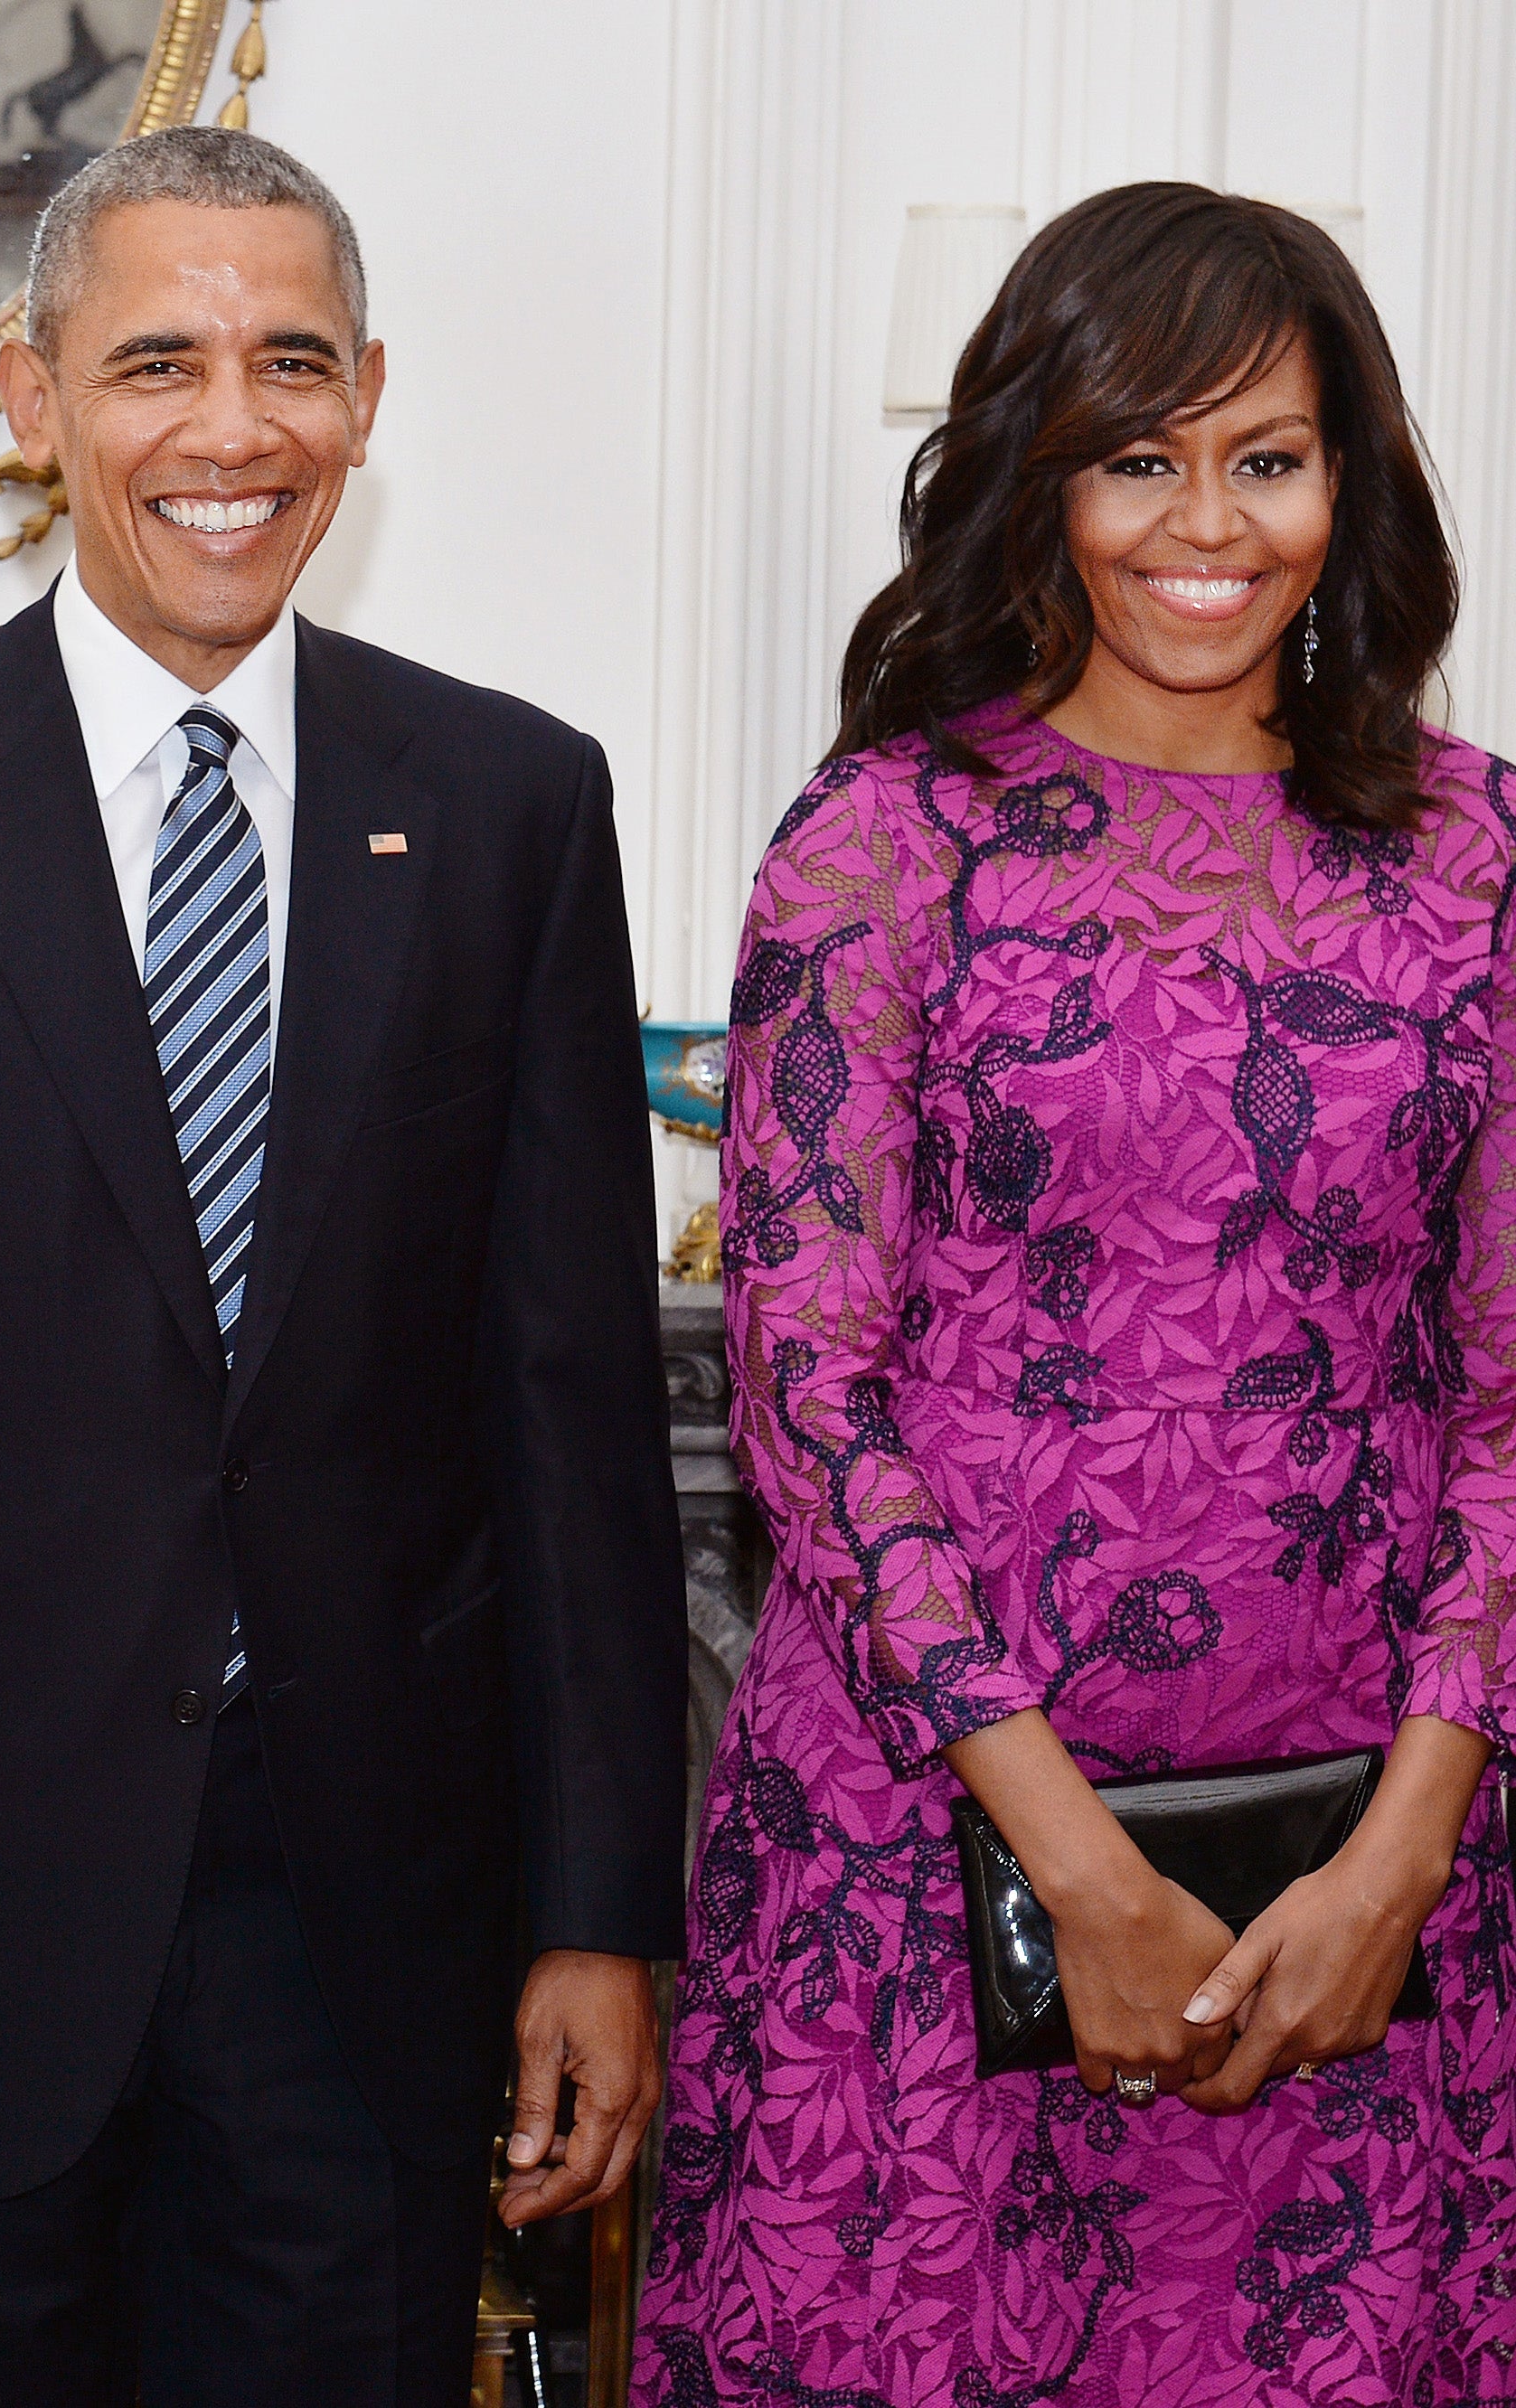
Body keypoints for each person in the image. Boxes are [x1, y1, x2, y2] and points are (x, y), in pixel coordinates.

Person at [633, 183, 1516, 2407]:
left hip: (1366, 1916)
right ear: (1043, 473)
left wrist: (1407, 1851)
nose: (1204, 522)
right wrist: (1073, 1866)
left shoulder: (1482, 855)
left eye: (1270, 455)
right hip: (917, 1882)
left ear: (1352, 483)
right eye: (1141, 455)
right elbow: (804, 1390)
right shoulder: (888, 841)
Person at [0, 125, 686, 2406]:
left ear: (369, 396)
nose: (231, 430)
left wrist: (596, 1914)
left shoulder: (510, 806)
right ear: (35, 403)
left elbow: (569, 1420)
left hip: (364, 1935)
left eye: (292, 362)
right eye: (155, 361)